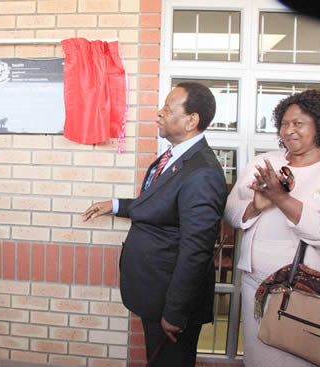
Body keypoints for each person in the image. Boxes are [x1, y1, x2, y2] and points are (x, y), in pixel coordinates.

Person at [83, 82, 227, 366]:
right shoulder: (175, 156)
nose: (158, 113)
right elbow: (159, 205)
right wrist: (114, 205)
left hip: (172, 302)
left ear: (191, 120)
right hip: (156, 292)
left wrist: (175, 311)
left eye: (167, 109)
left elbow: (195, 250)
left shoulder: (202, 172)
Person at [224, 89, 320, 367]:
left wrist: (283, 199)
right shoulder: (264, 163)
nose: (289, 130)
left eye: (298, 123)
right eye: (285, 124)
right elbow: (230, 211)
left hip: (315, 296)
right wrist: (256, 205)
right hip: (259, 290)